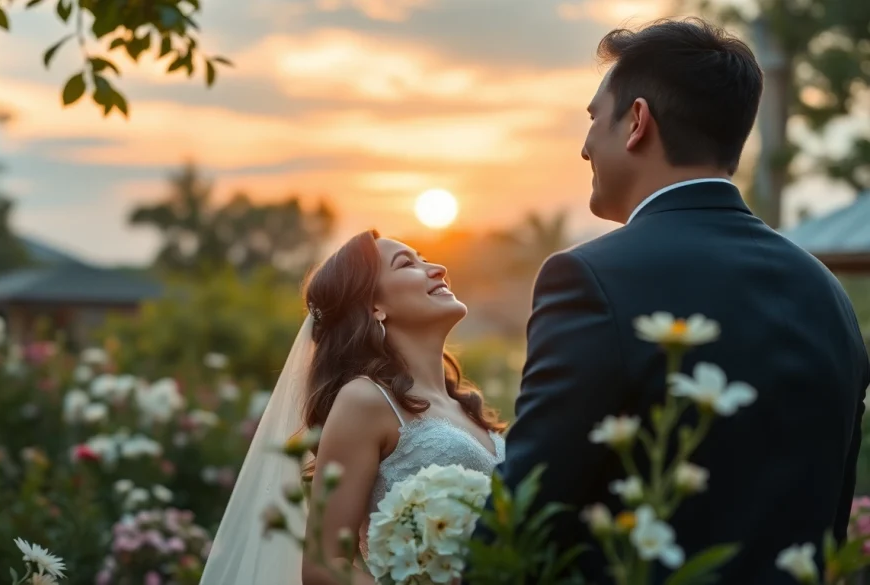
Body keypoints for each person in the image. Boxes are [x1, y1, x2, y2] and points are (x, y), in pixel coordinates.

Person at [476, 17, 870, 585]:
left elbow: (527, 511)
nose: (585, 146)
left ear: (637, 122)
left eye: (593, 119)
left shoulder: (589, 278)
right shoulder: (825, 290)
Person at [199, 229, 506, 585]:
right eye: (408, 263)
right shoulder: (366, 401)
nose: (438, 268)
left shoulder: (467, 408)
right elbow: (324, 564)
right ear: (374, 306)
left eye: (426, 258)